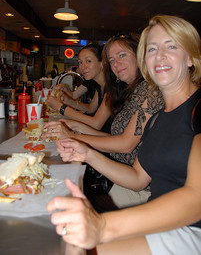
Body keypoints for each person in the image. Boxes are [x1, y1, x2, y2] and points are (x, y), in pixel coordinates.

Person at [47, 15, 201, 254]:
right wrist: (87, 153)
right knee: (67, 243)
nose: (159, 55)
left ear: (191, 57)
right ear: (145, 60)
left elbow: (196, 200)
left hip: (193, 231)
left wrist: (103, 226)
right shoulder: (158, 117)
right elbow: (138, 178)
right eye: (152, 49)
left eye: (171, 46)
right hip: (162, 223)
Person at [43, 33, 164, 207]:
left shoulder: (150, 91)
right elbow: (110, 135)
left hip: (141, 189)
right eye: (112, 60)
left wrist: (72, 135)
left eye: (122, 55)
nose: (116, 64)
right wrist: (74, 126)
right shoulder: (130, 90)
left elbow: (126, 144)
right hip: (121, 175)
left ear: (140, 55)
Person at [47, 43, 107, 117]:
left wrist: (60, 107)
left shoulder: (110, 87)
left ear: (102, 63)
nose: (83, 67)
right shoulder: (99, 85)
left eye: (88, 61)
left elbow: (96, 124)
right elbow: (90, 109)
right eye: (80, 62)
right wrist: (67, 100)